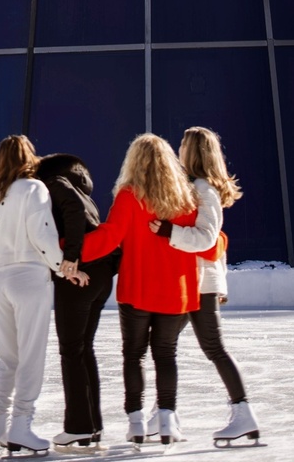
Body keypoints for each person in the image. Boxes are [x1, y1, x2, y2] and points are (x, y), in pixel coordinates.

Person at [80, 133, 199, 447]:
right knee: (166, 355)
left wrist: (70, 251)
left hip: (137, 290)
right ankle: (167, 422)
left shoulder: (129, 196)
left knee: (133, 355)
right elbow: (207, 239)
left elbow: (109, 238)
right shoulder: (186, 198)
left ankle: (135, 421)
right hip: (175, 291)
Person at [0, 136, 86, 455]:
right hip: (30, 278)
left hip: (2, 278)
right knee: (31, 355)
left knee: (8, 358)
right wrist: (64, 267)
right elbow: (43, 235)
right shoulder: (34, 189)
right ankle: (21, 424)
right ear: (28, 158)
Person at [148, 127, 260, 445]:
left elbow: (208, 238)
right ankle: (163, 412)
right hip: (192, 280)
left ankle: (241, 413)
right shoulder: (194, 187)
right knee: (165, 344)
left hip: (199, 283)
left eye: (183, 144)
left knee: (209, 347)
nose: (179, 148)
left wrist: (169, 232)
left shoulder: (204, 189)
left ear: (195, 151)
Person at [35, 154, 120, 448]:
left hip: (77, 275)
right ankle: (92, 425)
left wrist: (70, 257)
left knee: (71, 350)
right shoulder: (86, 196)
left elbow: (70, 210)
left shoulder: (54, 182)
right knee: (83, 350)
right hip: (100, 276)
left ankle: (78, 426)